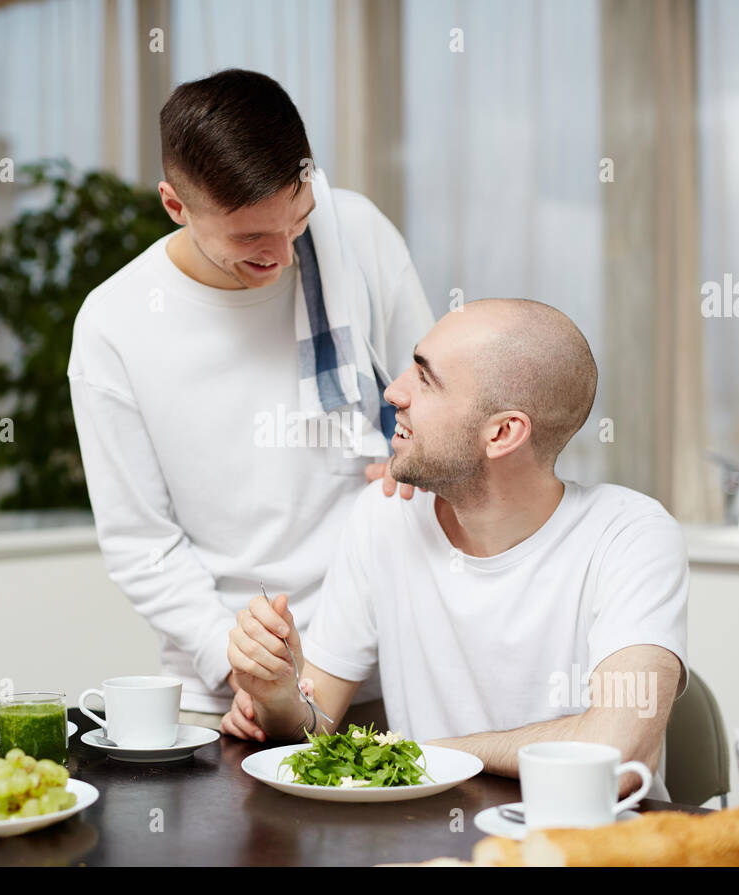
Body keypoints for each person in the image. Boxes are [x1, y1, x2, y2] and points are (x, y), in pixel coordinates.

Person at [68, 68, 435, 737]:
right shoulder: (114, 324)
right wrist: (237, 664)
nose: (283, 253)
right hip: (219, 700)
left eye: (295, 221)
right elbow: (140, 541)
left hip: (384, 672)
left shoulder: (354, 231)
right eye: (248, 238)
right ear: (175, 205)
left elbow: (436, 394)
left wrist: (422, 455)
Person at [227, 299, 689, 798]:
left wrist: (427, 753)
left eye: (426, 380)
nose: (393, 392)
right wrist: (276, 694)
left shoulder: (631, 535)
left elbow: (618, 756)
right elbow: (313, 725)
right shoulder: (385, 518)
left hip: (593, 844)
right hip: (434, 844)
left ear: (503, 432)